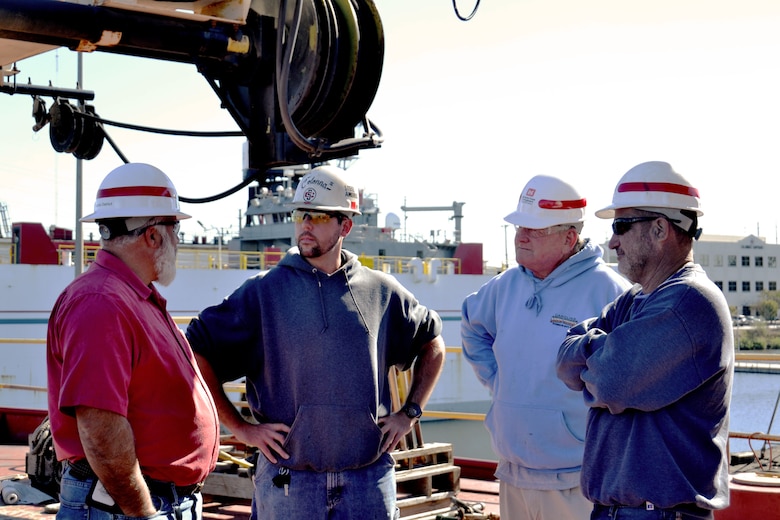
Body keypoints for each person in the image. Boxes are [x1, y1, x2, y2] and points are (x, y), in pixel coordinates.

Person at [186, 164, 446, 520]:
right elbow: (197, 350)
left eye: (319, 215)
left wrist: (410, 413)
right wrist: (241, 429)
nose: (305, 224)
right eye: (299, 214)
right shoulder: (264, 292)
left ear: (346, 225)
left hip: (367, 481)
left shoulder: (380, 291)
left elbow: (433, 343)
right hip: (290, 484)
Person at [556, 161, 734, 520]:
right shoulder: (635, 300)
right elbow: (564, 362)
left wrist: (596, 351)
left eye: (621, 226)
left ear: (659, 229)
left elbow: (611, 380)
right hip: (618, 511)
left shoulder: (688, 302)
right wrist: (603, 349)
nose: (612, 241)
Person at [47, 163, 220, 520]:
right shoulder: (102, 302)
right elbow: (101, 428)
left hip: (145, 503)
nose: (178, 240)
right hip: (128, 508)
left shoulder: (128, 296)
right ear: (153, 236)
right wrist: (143, 513)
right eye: (175, 228)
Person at [461, 175, 630, 520]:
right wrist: (499, 383)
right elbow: (472, 327)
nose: (521, 236)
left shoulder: (610, 292)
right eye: (519, 226)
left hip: (576, 481)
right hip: (513, 472)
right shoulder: (504, 286)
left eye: (534, 230)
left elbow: (629, 379)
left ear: (569, 237)